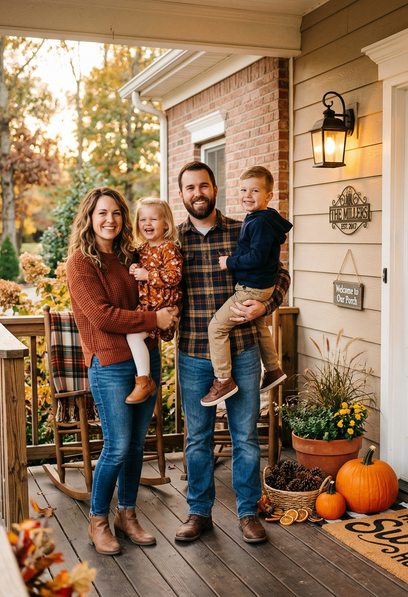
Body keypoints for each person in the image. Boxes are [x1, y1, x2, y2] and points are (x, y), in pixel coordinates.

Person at [173, 161, 290, 545]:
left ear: (215, 189)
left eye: (203, 186)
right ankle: (198, 513)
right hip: (192, 351)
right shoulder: (175, 242)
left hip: (240, 350)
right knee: (197, 438)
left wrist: (266, 304)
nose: (197, 193)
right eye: (190, 188)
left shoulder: (246, 228)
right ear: (182, 194)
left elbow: (281, 275)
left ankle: (248, 512)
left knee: (245, 436)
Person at [66, 187, 179, 555]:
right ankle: (98, 520)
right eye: (102, 213)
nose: (110, 220)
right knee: (116, 446)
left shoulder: (130, 254)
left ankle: (126, 516)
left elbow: (156, 287)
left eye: (116, 213)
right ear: (89, 216)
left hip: (147, 357)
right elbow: (101, 316)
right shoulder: (81, 262)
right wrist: (153, 318)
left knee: (135, 446)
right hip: (111, 363)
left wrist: (164, 316)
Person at [202, 166, 292, 406]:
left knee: (216, 329)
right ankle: (273, 369)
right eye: (243, 190)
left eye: (255, 190)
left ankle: (223, 380)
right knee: (260, 325)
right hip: (260, 286)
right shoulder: (261, 219)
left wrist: (229, 262)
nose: (247, 195)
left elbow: (258, 257)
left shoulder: (259, 222)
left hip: (251, 288)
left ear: (269, 196)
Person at [124, 197, 183, 404]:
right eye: (142, 219)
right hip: (148, 308)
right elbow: (140, 272)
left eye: (153, 219)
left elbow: (175, 276)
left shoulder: (168, 248)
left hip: (162, 307)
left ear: (165, 223)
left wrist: (148, 275)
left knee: (133, 336)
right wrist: (134, 269)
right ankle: (143, 380)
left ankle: (144, 381)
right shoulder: (142, 250)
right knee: (134, 336)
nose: (147, 224)